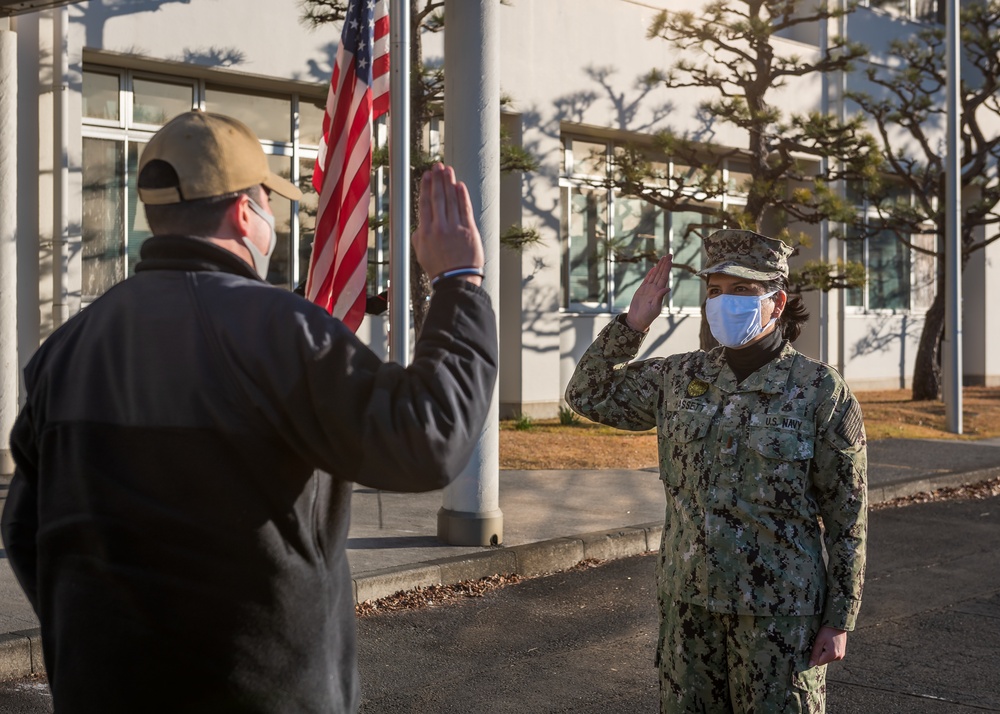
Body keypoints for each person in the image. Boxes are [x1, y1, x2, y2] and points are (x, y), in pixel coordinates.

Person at [1, 110, 497, 713]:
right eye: (269, 199)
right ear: (245, 211)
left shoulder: (68, 349)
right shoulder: (279, 331)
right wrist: (459, 282)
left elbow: (27, 532)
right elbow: (427, 439)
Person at [565, 229, 867, 713]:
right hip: (689, 608)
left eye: (743, 291)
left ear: (777, 301)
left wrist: (839, 618)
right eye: (715, 291)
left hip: (779, 617)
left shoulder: (819, 390)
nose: (725, 302)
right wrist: (632, 324)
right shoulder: (681, 377)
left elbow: (847, 516)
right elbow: (586, 394)